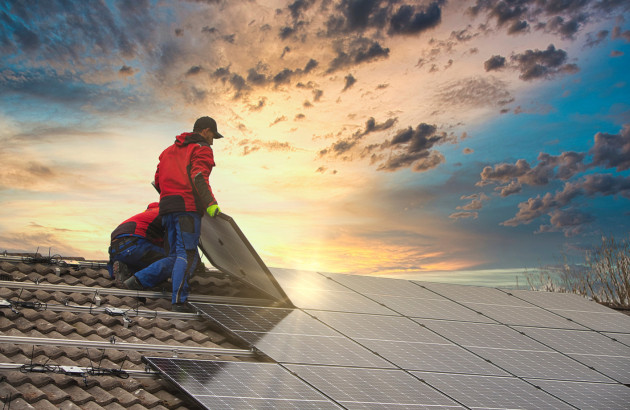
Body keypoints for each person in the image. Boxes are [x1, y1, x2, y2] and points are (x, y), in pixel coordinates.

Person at [124, 116, 223, 311]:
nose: (213, 141)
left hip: (167, 209)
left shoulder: (167, 152)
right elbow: (198, 175)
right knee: (187, 255)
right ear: (205, 131)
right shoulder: (202, 149)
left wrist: (171, 194)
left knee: (175, 256)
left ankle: (138, 281)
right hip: (187, 209)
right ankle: (179, 300)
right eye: (212, 135)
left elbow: (158, 180)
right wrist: (210, 203)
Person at [107, 202, 166, 286]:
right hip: (134, 244)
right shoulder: (164, 213)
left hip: (114, 251)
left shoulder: (144, 215)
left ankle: (126, 269)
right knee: (172, 260)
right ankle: (139, 281)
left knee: (141, 260)